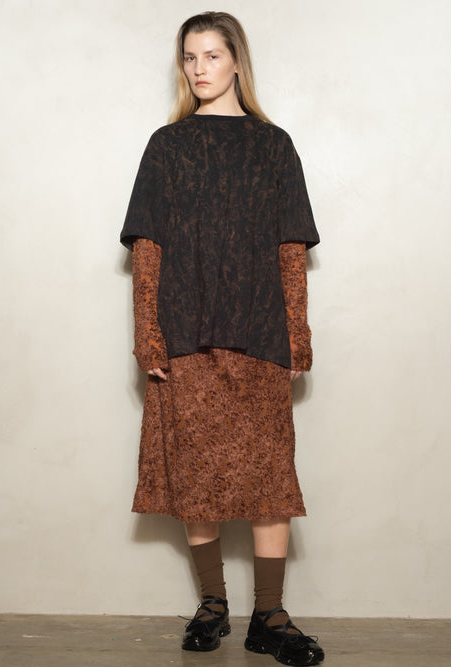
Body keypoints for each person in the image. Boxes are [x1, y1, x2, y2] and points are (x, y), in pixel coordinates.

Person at [120, 11, 324, 666]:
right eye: (189, 57)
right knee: (197, 475)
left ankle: (270, 615)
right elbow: (147, 247)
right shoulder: (166, 146)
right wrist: (147, 333)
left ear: (237, 60)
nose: (199, 68)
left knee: (269, 478)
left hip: (259, 331)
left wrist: (297, 332)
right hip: (185, 331)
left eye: (211, 55)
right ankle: (213, 604)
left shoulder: (274, 146)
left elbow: (290, 249)